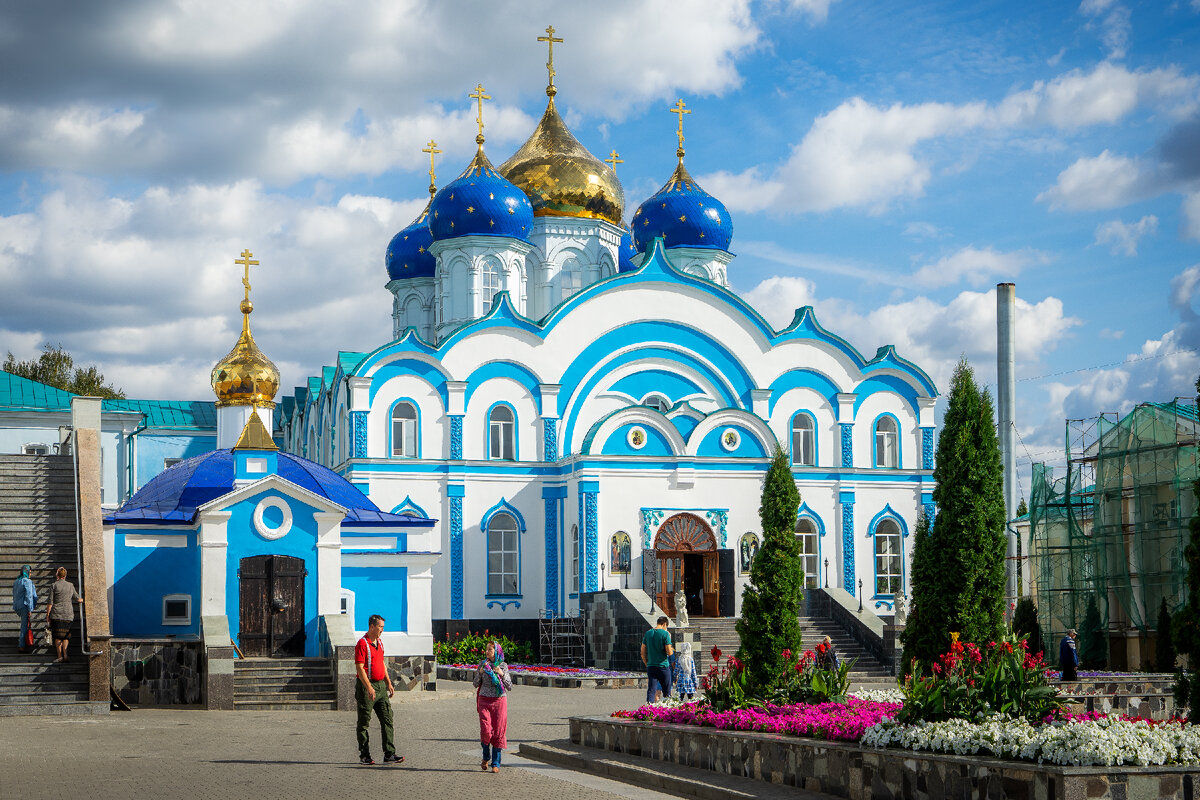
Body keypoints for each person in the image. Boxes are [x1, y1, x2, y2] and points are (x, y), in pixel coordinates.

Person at [354, 614, 401, 765]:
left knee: (387, 719)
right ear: (372, 626)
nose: (382, 630)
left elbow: (381, 664)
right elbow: (360, 668)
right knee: (364, 722)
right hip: (367, 686)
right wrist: (368, 687)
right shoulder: (362, 643)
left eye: (383, 627)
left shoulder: (379, 643)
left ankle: (389, 753)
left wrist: (388, 683)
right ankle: (364, 755)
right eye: (380, 627)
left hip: (381, 686)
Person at [473, 640, 513, 774]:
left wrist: (501, 673)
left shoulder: (503, 665)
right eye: (486, 650)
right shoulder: (482, 664)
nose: (486, 652)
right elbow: (475, 683)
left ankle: (495, 763)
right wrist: (480, 672)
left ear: (496, 651)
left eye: (490, 650)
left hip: (499, 700)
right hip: (484, 700)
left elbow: (509, 686)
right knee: (486, 730)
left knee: (498, 732)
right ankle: (485, 757)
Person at [45, 567, 82, 662]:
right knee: (66, 636)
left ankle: (60, 656)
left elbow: (50, 602)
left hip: (56, 614)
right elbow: (77, 598)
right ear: (65, 576)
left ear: (57, 575)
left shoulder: (54, 585)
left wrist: (47, 614)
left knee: (57, 636)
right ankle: (65, 655)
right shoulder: (70, 585)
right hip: (68, 614)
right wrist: (81, 600)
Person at [640, 615, 674, 703]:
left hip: (651, 666)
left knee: (651, 690)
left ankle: (649, 710)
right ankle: (668, 711)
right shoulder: (665, 634)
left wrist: (646, 663)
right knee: (667, 691)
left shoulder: (648, 633)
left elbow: (642, 652)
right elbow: (669, 652)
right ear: (665, 624)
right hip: (663, 666)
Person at [11, 565, 37, 654]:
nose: (31, 574)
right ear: (26, 572)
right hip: (24, 606)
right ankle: (21, 646)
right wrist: (30, 609)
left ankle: (22, 644)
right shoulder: (27, 581)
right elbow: (29, 596)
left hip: (17, 606)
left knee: (24, 624)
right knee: (24, 626)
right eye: (29, 572)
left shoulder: (16, 581)